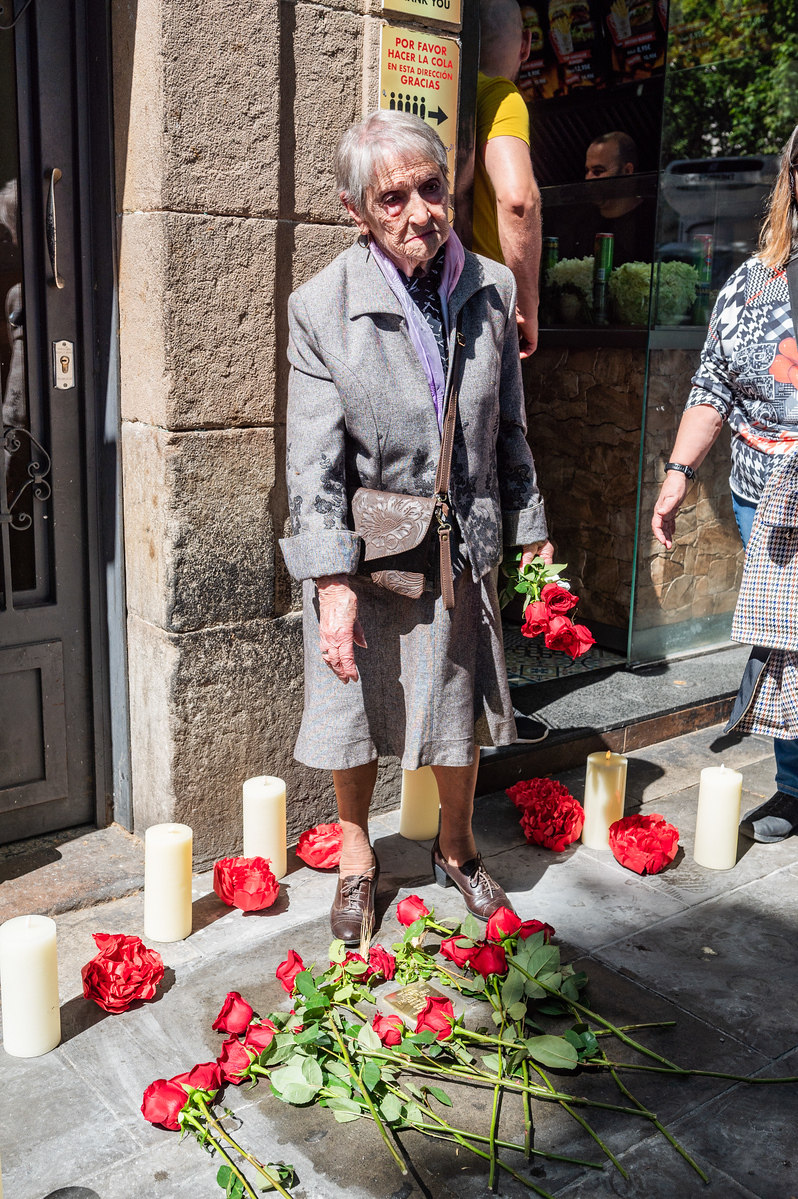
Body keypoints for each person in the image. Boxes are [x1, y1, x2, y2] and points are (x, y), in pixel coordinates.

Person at [280, 110, 549, 943]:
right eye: (391, 199)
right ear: (355, 211)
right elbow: (311, 463)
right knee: (353, 706)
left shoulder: (493, 289)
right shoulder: (320, 308)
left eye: (431, 188)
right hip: (366, 548)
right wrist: (330, 584)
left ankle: (458, 848)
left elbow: (508, 427)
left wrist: (531, 533)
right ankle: (359, 859)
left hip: (461, 538)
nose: (419, 212)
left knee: (456, 701)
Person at [651, 122, 798, 843]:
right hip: (763, 497)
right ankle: (795, 785)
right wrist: (678, 472)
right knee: (787, 642)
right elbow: (714, 383)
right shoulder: (750, 279)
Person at [474, 0, 542, 358]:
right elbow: (518, 200)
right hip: (483, 304)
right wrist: (526, 306)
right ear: (526, 44)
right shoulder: (501, 96)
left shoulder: (449, 93)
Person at [573, 131, 656, 267]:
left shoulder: (650, 221)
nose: (589, 178)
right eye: (587, 171)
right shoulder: (582, 223)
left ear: (627, 171)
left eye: (598, 171)